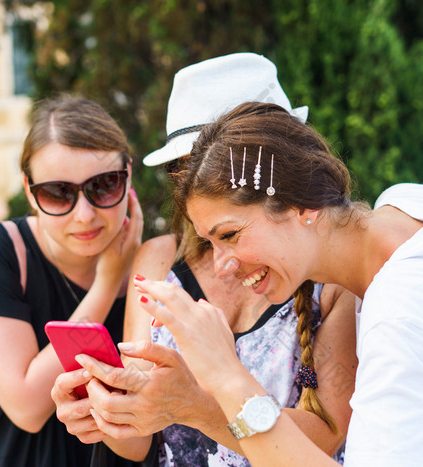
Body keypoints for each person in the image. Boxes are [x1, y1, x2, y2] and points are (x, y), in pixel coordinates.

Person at [132, 101, 423, 466]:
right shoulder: (416, 202)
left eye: (230, 235)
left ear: (303, 206)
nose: (221, 265)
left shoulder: (403, 312)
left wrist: (226, 378)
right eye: (209, 243)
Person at [51, 53, 357, 465]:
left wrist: (197, 407)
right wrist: (106, 413)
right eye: (190, 167)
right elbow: (141, 441)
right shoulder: (159, 262)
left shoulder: (330, 280)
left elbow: (324, 439)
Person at [0, 96, 143, 466]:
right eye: (58, 193)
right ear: (30, 190)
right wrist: (106, 286)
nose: (85, 214)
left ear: (128, 175)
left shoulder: (154, 268)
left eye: (105, 185)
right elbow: (26, 406)